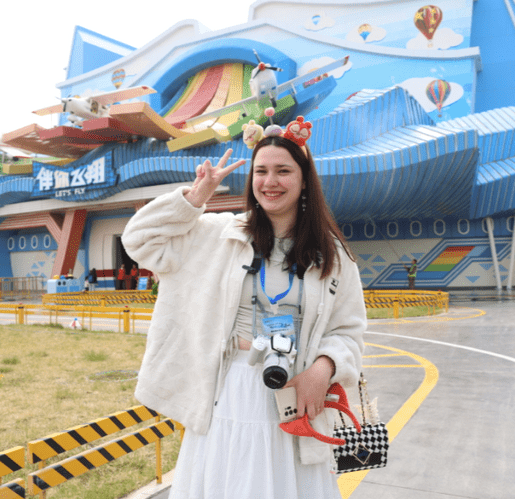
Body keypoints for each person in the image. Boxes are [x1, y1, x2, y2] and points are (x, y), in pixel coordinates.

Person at [122, 124, 366, 498]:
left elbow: (349, 330)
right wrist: (193, 198)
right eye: (261, 171)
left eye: (283, 171)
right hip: (229, 389)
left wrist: (324, 368)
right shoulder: (219, 233)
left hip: (297, 392)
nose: (270, 181)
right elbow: (139, 240)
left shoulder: (332, 254)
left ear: (304, 180)